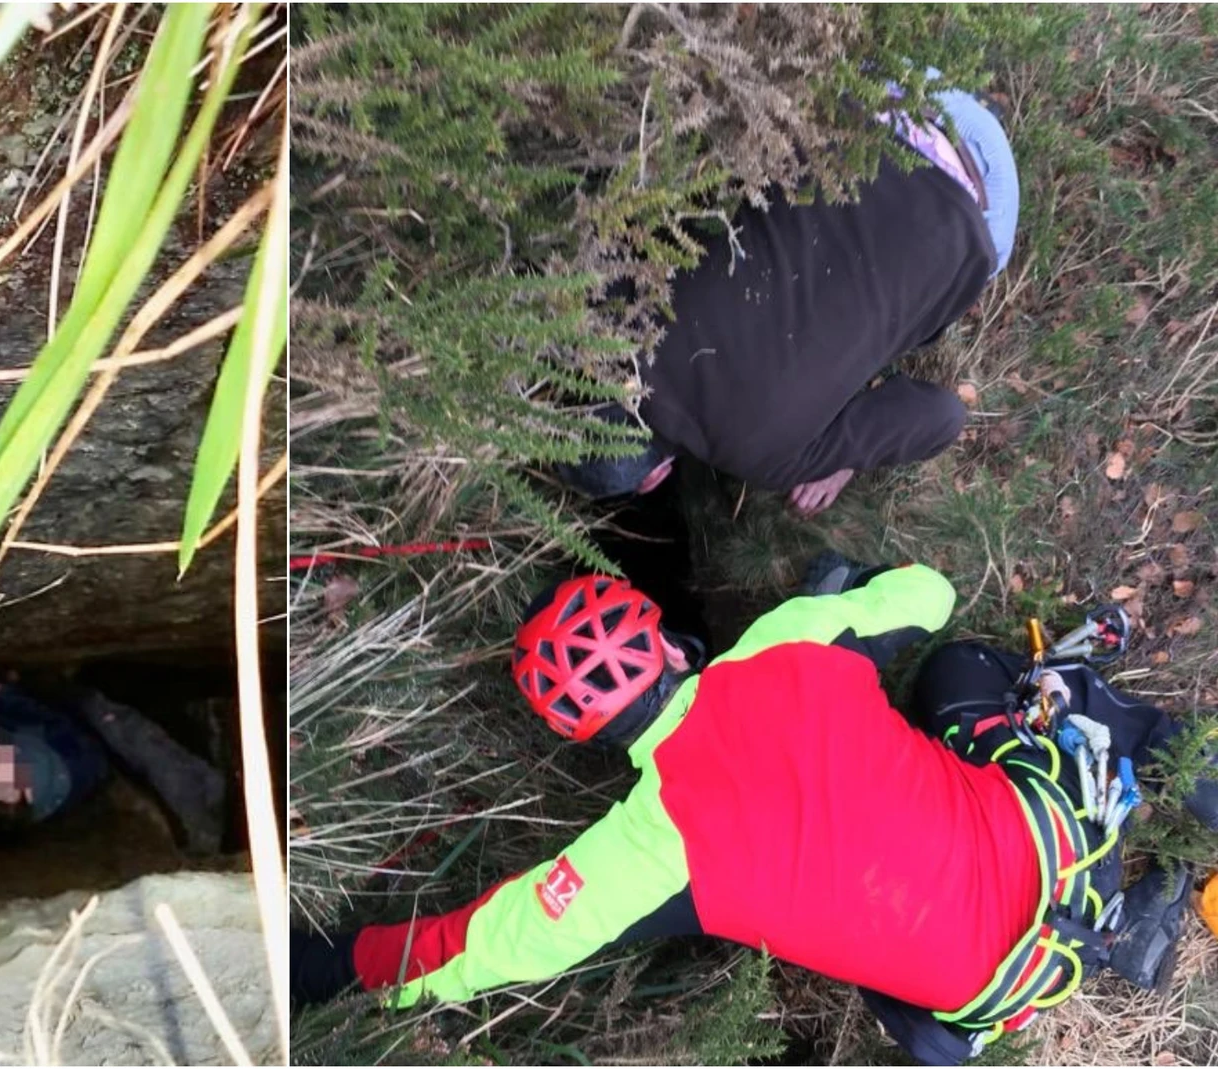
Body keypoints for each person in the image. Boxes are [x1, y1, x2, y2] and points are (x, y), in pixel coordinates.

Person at [292, 557, 1209, 1065]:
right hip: (1066, 839)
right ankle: (1167, 765)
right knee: (959, 669)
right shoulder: (783, 645)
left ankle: (1118, 935)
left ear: (588, 739)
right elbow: (929, 594)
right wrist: (827, 599)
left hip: (994, 993)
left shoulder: (644, 855)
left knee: (919, 1021)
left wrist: (336, 968)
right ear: (677, 646)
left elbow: (480, 948)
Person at [556, 81, 1019, 517]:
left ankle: (983, 119)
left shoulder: (768, 460)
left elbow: (943, 415)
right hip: (878, 101)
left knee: (923, 322)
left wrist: (846, 456)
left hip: (980, 202)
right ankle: (967, 100)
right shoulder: (615, 305)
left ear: (656, 477)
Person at [0, 671, 228, 855]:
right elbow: (54, 719)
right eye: (3, 771)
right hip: (49, 725)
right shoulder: (70, 765)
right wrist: (6, 695)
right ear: (23, 788)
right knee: (87, 705)